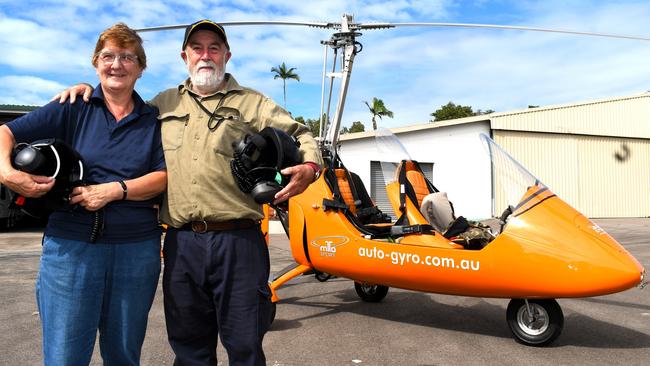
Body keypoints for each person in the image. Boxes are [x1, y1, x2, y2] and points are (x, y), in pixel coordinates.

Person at [58, 19, 322, 365]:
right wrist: (88, 91)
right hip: (182, 244)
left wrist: (309, 167)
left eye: (214, 48)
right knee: (189, 348)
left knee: (245, 346)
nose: (205, 55)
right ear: (185, 56)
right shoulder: (162, 104)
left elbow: (301, 134)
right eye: (197, 48)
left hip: (238, 243)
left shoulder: (253, 103)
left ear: (227, 56)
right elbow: (118, 103)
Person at [0, 23, 167, 365]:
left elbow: (163, 177)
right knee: (65, 356)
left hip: (137, 252)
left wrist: (115, 191)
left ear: (140, 67)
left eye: (127, 57)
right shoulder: (72, 106)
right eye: (108, 56)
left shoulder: (154, 120)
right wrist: (7, 172)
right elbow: (5, 132)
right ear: (95, 63)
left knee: (124, 354)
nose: (116, 64)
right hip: (71, 250)